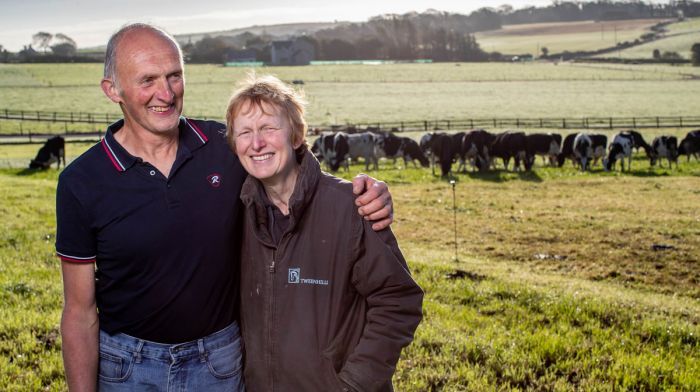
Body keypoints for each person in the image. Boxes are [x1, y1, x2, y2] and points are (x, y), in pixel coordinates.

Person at [55, 23, 394, 392]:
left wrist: (359, 191)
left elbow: (288, 172)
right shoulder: (81, 182)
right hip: (127, 367)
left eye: (174, 76)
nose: (165, 93)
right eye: (147, 80)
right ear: (112, 90)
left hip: (218, 362)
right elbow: (79, 312)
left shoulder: (223, 148)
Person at [226, 74, 423, 391]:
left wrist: (355, 383)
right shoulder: (233, 213)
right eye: (244, 133)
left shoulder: (351, 206)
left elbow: (398, 300)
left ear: (296, 135)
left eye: (269, 129)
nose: (257, 143)